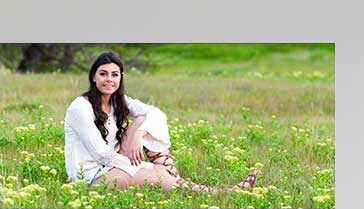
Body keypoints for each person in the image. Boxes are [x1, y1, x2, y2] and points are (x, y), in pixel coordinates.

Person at [64, 52, 258, 194]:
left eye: (114, 74)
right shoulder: (80, 107)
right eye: (103, 74)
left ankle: (170, 173)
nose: (109, 80)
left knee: (143, 119)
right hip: (91, 175)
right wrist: (142, 167)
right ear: (93, 77)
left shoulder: (119, 101)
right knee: (156, 177)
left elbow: (156, 113)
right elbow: (100, 154)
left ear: (121, 78)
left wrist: (139, 134)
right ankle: (219, 193)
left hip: (113, 162)